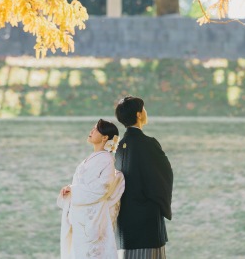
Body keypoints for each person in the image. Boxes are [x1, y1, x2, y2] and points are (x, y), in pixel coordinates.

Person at [114, 96, 173, 259]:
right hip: (147, 221)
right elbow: (163, 177)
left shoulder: (119, 147)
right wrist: (163, 205)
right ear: (139, 114)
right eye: (144, 109)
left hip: (124, 222)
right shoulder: (148, 143)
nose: (146, 112)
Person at [57, 119, 125, 259]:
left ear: (104, 137)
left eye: (95, 129)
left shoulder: (106, 159)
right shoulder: (92, 159)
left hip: (92, 218)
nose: (91, 131)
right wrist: (70, 190)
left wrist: (74, 190)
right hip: (82, 217)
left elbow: (103, 188)